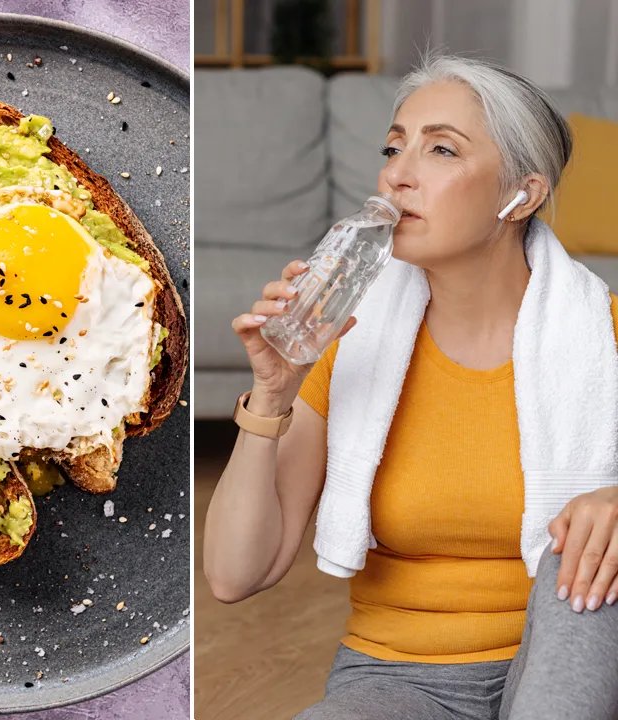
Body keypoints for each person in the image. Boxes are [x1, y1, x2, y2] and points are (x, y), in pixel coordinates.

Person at [203, 52, 618, 720]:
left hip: (575, 656)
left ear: (523, 195)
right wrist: (274, 394)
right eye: (394, 148)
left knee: (599, 550)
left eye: (442, 151)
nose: (398, 174)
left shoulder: (604, 338)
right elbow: (233, 575)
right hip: (405, 680)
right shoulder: (351, 342)